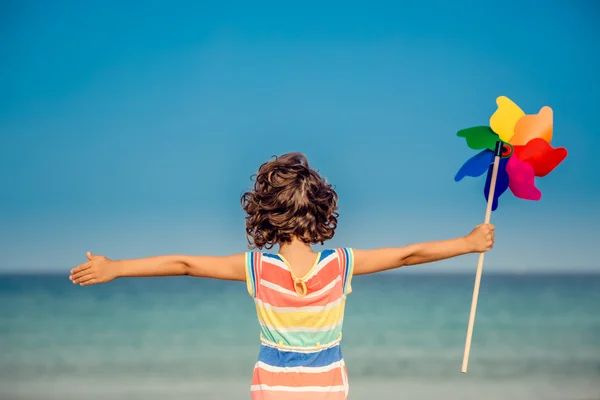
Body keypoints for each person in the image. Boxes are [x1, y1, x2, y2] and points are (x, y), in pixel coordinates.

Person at [69, 152, 494, 400]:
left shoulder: (257, 269)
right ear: (324, 210)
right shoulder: (339, 265)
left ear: (264, 214)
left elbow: (184, 265)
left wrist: (116, 268)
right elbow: (408, 255)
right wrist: (468, 242)